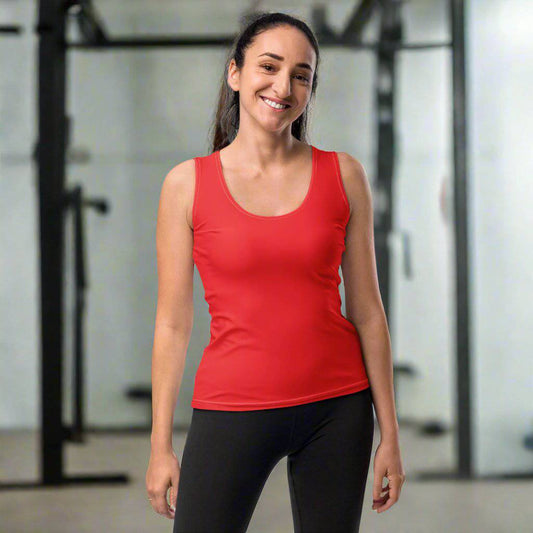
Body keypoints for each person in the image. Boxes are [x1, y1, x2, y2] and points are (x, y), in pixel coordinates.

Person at [145, 11, 405, 533]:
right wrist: (160, 445)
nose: (283, 85)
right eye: (269, 66)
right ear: (235, 73)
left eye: (302, 74)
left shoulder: (344, 174)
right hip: (232, 406)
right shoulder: (186, 185)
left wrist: (390, 435)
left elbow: (369, 314)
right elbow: (173, 323)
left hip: (338, 410)